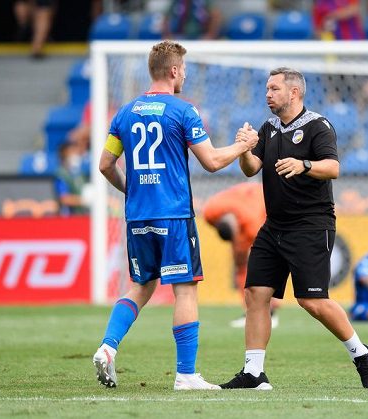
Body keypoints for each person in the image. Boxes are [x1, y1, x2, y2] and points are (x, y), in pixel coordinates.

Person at [93, 40, 258, 390]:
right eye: (183, 69)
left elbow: (105, 165)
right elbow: (212, 161)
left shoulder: (124, 113)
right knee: (185, 290)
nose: (184, 74)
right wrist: (243, 147)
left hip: (138, 217)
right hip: (173, 216)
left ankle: (108, 347)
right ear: (173, 71)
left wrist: (133, 190)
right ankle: (186, 375)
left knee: (141, 285)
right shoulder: (184, 111)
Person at [220, 67, 368, 390]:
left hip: (310, 225)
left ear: (294, 93)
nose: (268, 94)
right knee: (255, 293)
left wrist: (303, 165)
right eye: (267, 88)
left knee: (313, 301)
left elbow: (333, 167)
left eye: (274, 89)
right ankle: (254, 372)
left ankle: (362, 354)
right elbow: (252, 169)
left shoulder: (318, 126)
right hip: (274, 226)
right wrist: (244, 149)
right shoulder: (269, 128)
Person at [202, 182, 281, 328]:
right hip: (249, 192)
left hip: (266, 202)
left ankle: (270, 311)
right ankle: (250, 310)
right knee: (241, 266)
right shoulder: (210, 211)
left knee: (259, 266)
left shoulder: (252, 223)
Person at [55, 141, 89, 216]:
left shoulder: (80, 174)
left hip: (83, 215)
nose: (76, 155)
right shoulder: (61, 174)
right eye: (72, 152)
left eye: (76, 152)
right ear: (64, 155)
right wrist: (85, 200)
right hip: (68, 218)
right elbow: (64, 199)